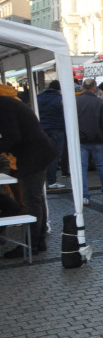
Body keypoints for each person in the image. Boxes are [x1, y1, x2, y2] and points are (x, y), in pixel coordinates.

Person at [0, 96, 57, 257]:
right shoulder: (7, 103)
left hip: (34, 156)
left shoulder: (4, 107)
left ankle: (30, 245)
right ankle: (38, 241)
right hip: (39, 153)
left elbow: (13, 137)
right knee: (37, 199)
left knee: (32, 200)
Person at [76, 79, 103, 205]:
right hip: (98, 140)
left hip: (81, 140)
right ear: (94, 87)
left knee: (82, 168)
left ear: (83, 87)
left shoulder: (76, 102)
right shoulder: (100, 102)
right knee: (102, 166)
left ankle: (84, 195)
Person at [37, 80, 66, 189]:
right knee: (54, 155)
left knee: (42, 155)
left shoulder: (38, 98)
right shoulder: (60, 99)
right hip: (57, 129)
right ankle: (52, 181)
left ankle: (41, 179)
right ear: (59, 89)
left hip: (41, 129)